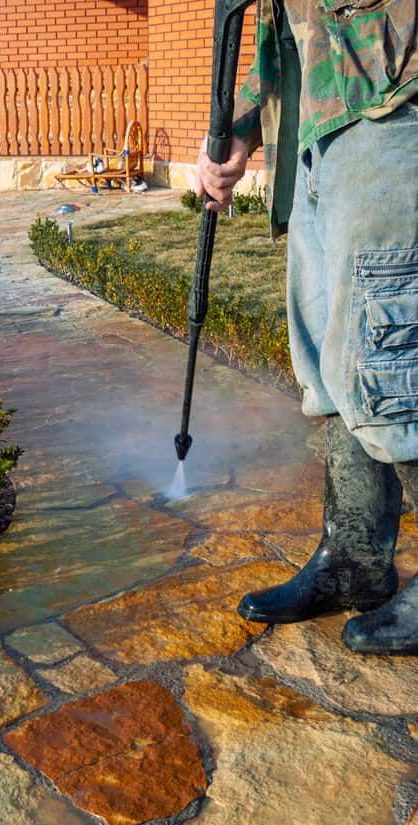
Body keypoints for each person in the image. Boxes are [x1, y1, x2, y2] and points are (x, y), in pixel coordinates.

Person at [194, 0, 418, 654]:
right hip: (312, 126)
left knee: (390, 365)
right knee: (329, 365)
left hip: (390, 107)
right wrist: (240, 125)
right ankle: (354, 557)